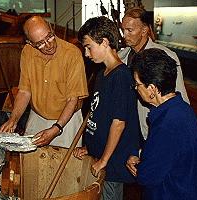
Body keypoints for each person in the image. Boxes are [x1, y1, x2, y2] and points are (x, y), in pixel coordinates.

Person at [73, 16, 140, 200]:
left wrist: (103, 160)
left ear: (104, 42)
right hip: (100, 155)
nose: (86, 53)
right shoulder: (102, 74)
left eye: (88, 47)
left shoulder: (121, 76)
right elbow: (99, 114)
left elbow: (118, 123)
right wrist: (90, 147)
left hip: (111, 161)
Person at [126, 48, 197, 200]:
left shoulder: (167, 124)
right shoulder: (181, 109)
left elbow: (148, 176)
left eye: (137, 84)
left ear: (152, 89)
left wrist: (138, 166)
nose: (136, 89)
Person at [0, 16, 88, 148]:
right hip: (38, 117)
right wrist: (14, 119)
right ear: (30, 43)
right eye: (40, 43)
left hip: (66, 120)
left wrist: (56, 128)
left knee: (66, 165)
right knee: (32, 163)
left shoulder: (72, 54)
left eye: (49, 37)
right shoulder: (27, 52)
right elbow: (24, 91)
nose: (48, 45)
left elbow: (72, 100)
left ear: (51, 29)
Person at [119, 7, 189, 140]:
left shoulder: (167, 56)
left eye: (129, 30)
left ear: (144, 30)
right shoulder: (121, 57)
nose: (124, 35)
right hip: (127, 130)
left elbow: (180, 97)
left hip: (153, 127)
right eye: (123, 30)